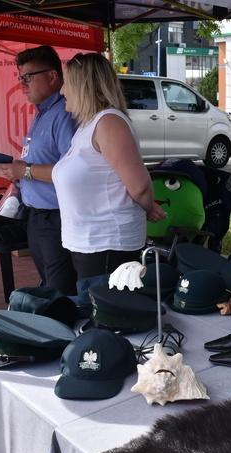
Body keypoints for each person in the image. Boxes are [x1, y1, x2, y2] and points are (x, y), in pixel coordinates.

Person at [52, 52, 165, 287]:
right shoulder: (89, 125)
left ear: (84, 86)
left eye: (67, 83)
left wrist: (148, 206)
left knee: (103, 307)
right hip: (91, 244)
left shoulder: (109, 123)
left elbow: (140, 186)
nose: (62, 91)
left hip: (107, 244)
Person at [0, 46, 78, 295]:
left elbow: (73, 171)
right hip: (36, 216)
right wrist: (17, 170)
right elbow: (37, 162)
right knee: (49, 287)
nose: (22, 84)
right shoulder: (42, 113)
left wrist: (24, 171)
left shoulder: (64, 114)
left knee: (61, 293)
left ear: (52, 76)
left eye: (28, 77)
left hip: (57, 217)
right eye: (20, 78)